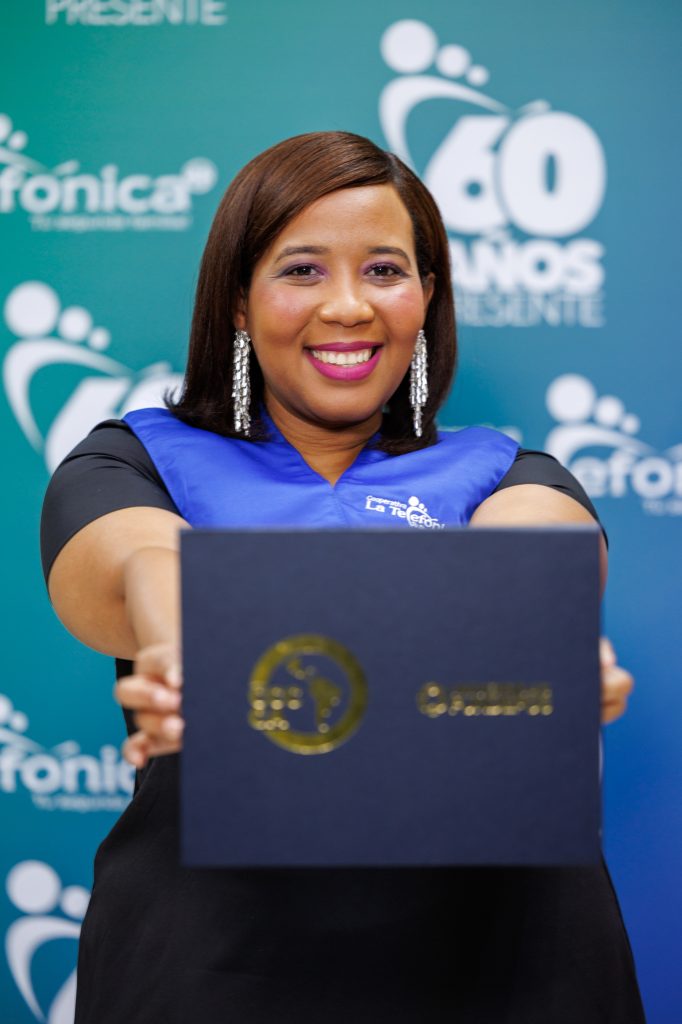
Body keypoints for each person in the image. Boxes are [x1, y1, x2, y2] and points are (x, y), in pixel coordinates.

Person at [41, 131, 644, 1023]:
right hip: (215, 960)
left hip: (503, 956)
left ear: (426, 296)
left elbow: (537, 553)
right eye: (303, 271)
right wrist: (180, 638)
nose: (349, 306)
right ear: (239, 302)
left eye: (385, 271)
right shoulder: (134, 463)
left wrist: (536, 628)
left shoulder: (508, 473)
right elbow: (142, 557)